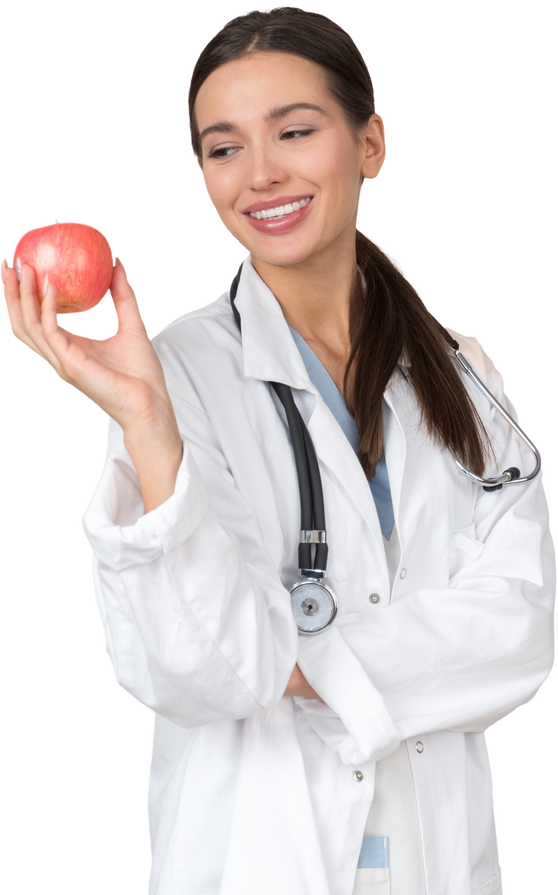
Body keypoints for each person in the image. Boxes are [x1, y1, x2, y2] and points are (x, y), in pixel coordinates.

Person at [2, 5, 555, 894]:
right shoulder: (171, 373)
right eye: (224, 149)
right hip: (252, 862)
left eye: (295, 131)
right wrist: (145, 421)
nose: (260, 175)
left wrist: (297, 658)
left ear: (371, 143)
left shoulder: (464, 368)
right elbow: (192, 668)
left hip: (438, 864)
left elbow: (523, 628)